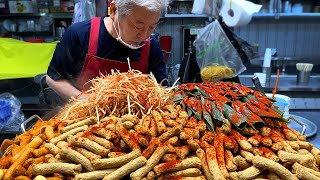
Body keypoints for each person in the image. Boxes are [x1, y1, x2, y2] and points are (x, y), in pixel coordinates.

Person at [46, 0, 169, 99]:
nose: (144, 36)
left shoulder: (151, 46)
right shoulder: (81, 34)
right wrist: (87, 101)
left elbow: (161, 90)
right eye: (138, 26)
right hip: (84, 118)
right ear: (114, 10)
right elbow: (53, 78)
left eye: (152, 27)